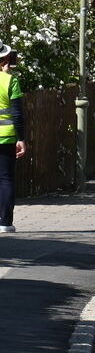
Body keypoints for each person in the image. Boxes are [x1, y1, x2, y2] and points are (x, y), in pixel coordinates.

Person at [0, 43, 26, 233]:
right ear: (6, 60)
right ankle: (5, 223)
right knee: (6, 179)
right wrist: (21, 138)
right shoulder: (10, 81)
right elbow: (17, 114)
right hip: (6, 137)